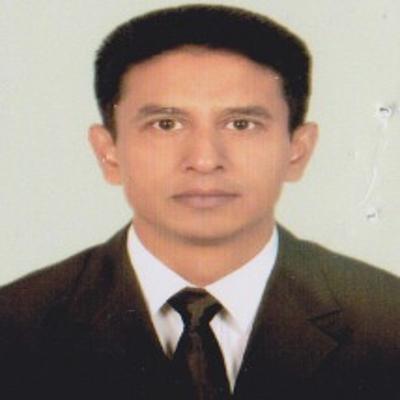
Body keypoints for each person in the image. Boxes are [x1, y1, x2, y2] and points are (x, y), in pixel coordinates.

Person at [0, 4, 399, 400]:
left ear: (297, 150)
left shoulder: (387, 321)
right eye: (166, 124)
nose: (205, 160)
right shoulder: (14, 327)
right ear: (109, 153)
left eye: (241, 124)